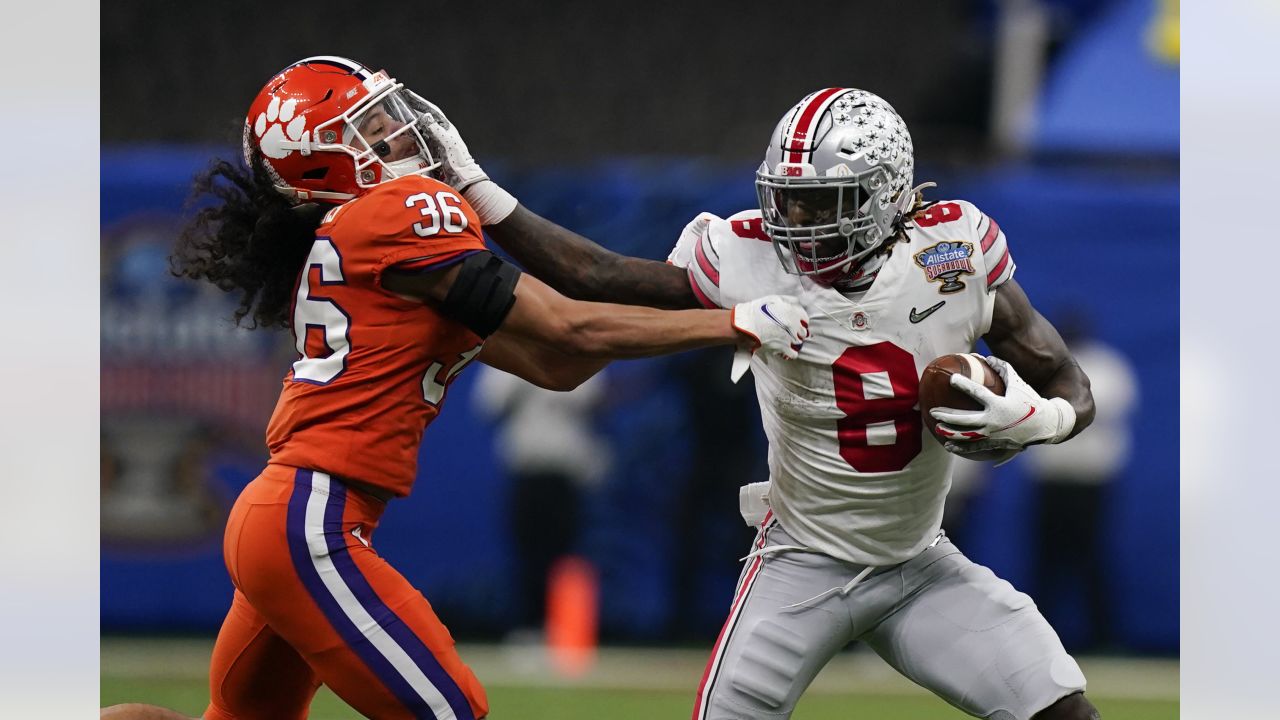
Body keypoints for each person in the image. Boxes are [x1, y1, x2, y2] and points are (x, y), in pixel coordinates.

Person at [100, 56, 811, 720]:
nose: (401, 135)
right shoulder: (396, 213)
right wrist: (733, 322)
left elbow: (556, 366)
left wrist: (699, 322)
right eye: (371, 129)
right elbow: (570, 330)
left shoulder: (355, 239)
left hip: (285, 517)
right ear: (324, 162)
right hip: (308, 522)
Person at [422, 88, 1102, 719]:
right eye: (790, 199)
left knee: (1063, 708)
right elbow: (595, 275)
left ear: (887, 194)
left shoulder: (954, 253)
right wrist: (477, 191)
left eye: (822, 202)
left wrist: (1039, 420)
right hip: (800, 565)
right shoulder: (751, 256)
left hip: (921, 564)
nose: (796, 222)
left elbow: (1069, 385)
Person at [1025, 310, 1138, 650]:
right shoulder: (1037, 364)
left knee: (1091, 559)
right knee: (1046, 561)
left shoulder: (1106, 367)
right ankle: (1036, 639)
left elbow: (1094, 412)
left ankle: (1103, 639)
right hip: (1051, 481)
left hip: (1091, 482)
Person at [472, 364, 611, 636]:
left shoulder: (577, 350)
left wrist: (553, 369)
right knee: (527, 551)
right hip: (526, 470)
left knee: (565, 553)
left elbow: (594, 399)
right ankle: (528, 627)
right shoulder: (509, 354)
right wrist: (527, 369)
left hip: (566, 472)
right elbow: (487, 404)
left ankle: (564, 628)